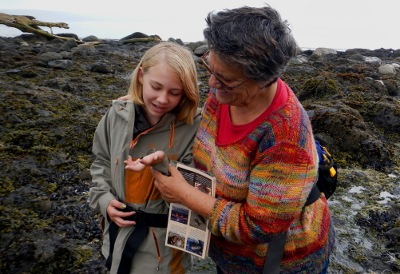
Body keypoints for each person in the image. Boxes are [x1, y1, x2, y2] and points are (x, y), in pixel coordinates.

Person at [150, 5, 335, 274]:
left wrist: (183, 194)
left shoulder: (285, 139)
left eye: (224, 79)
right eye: (209, 67)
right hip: (230, 254)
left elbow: (256, 227)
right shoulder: (227, 92)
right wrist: (143, 107)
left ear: (264, 80)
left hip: (280, 262)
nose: (212, 84)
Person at [88, 41, 202, 274]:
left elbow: (196, 195)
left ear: (187, 91)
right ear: (141, 75)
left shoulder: (195, 127)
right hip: (116, 238)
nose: (162, 99)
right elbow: (101, 162)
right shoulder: (116, 114)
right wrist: (104, 200)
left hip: (165, 255)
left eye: (174, 92)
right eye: (156, 87)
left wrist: (162, 164)